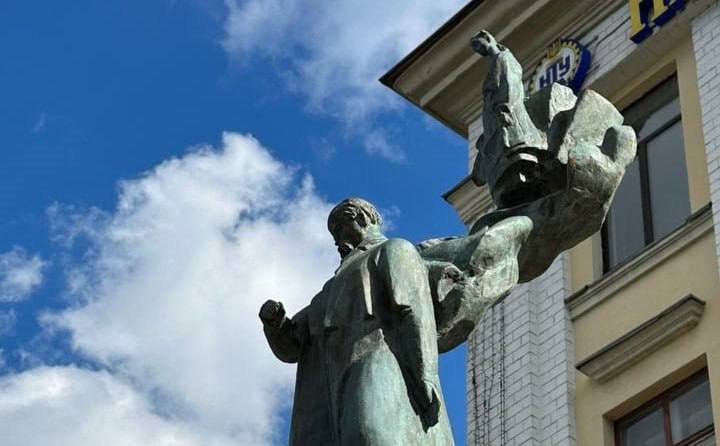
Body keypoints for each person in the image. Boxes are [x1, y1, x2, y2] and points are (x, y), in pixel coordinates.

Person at [259, 198, 453, 445]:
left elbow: (415, 311)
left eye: (339, 228)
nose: (335, 240)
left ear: (363, 218)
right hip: (324, 393)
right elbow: (292, 346)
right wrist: (275, 324)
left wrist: (426, 373)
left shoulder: (394, 249)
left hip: (373, 365)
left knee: (369, 435)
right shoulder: (327, 292)